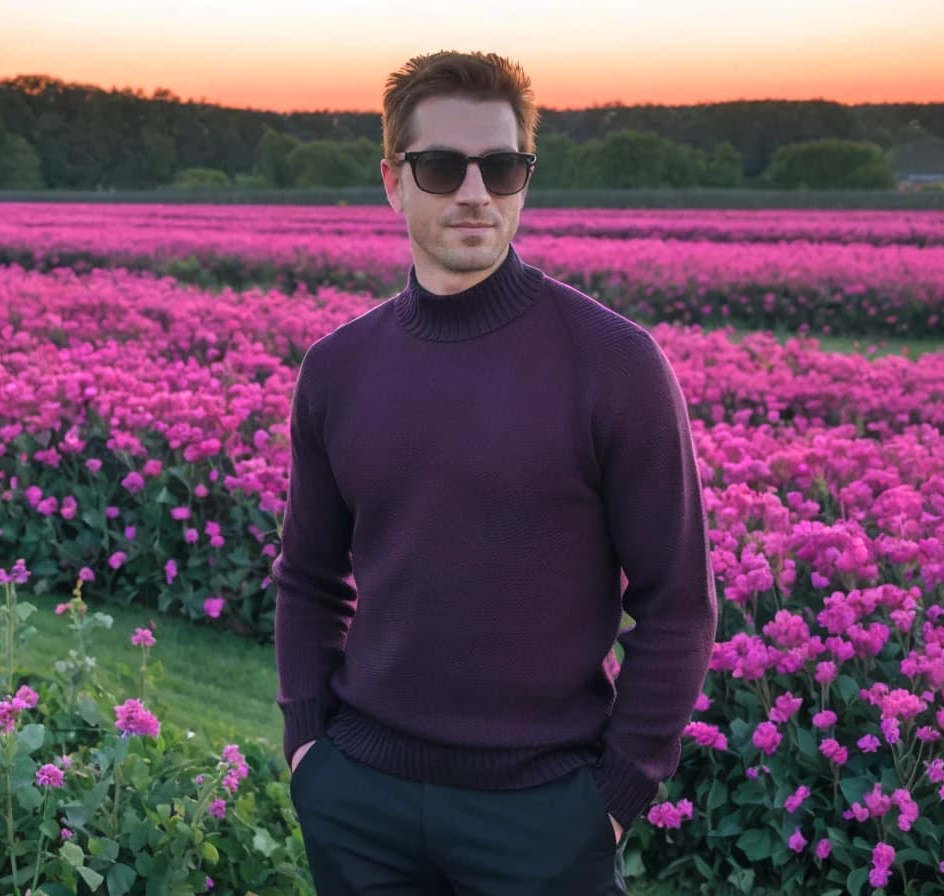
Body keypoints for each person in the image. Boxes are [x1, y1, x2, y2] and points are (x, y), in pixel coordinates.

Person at [271, 49, 718, 896]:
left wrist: (614, 800)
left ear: (524, 179)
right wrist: (308, 755)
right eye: (441, 167)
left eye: (502, 167)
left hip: (542, 814)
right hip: (361, 800)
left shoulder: (614, 364)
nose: (475, 193)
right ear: (393, 182)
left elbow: (679, 602)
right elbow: (308, 579)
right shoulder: (338, 369)